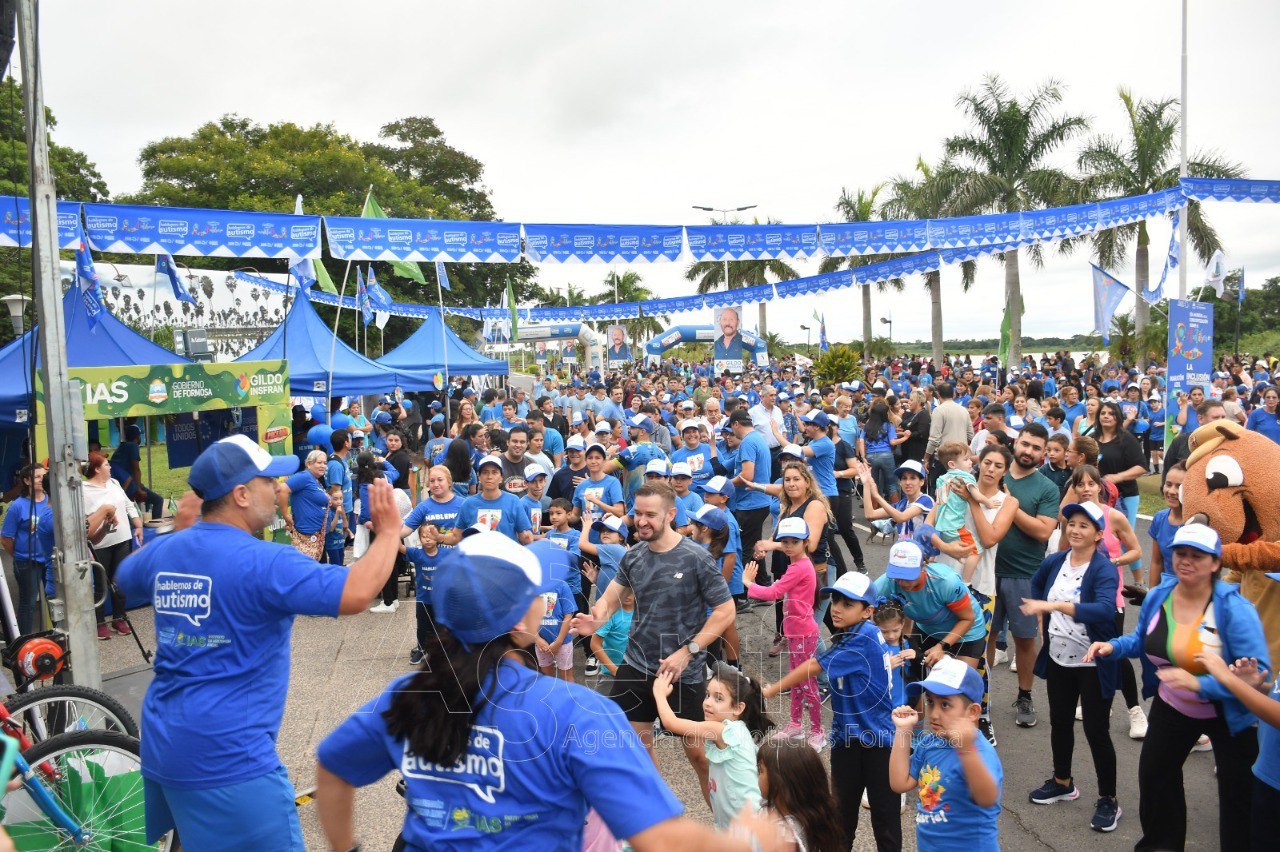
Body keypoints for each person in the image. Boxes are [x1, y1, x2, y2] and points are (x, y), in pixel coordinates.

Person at [315, 533, 784, 851]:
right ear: (522, 620)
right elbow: (657, 838)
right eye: (537, 593)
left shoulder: (408, 694)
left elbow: (334, 768)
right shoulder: (578, 711)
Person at [114, 435, 403, 850]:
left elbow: (126, 577)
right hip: (231, 762)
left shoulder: (169, 551)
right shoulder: (266, 562)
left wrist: (183, 532)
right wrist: (390, 533)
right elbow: (357, 592)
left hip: (164, 748)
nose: (280, 488)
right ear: (242, 494)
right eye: (270, 481)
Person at [1085, 524, 1270, 851]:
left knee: (1237, 796)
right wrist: (1113, 646)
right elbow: (1144, 640)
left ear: (1215, 563)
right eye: (1180, 553)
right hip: (1173, 707)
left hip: (1229, 715)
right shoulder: (1160, 595)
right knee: (1156, 781)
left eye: (1197, 556)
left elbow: (1258, 679)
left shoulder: (1234, 609)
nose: (1186, 560)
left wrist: (1199, 683)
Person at [572, 483, 735, 804]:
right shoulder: (633, 556)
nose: (641, 521)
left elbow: (726, 610)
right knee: (637, 750)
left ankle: (724, 824)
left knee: (699, 758)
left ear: (671, 514)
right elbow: (610, 599)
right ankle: (661, 815)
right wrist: (596, 620)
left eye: (650, 515)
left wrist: (688, 651)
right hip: (636, 665)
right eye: (637, 514)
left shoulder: (696, 558)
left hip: (683, 672)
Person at [762, 571, 898, 851]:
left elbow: (813, 667)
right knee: (841, 818)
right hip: (848, 737)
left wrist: (771, 690)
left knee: (883, 823)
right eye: (835, 600)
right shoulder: (854, 632)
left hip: (877, 742)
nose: (836, 608)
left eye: (848, 604)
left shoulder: (863, 637)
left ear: (867, 611)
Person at [1021, 502, 1123, 832]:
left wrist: (1055, 606)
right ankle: (1063, 782)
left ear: (1098, 534)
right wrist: (1042, 616)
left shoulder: (1103, 569)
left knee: (1096, 731)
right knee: (1061, 722)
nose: (1075, 530)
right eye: (1072, 524)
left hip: (1093, 661)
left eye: (1084, 525)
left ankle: (1109, 799)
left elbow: (1106, 611)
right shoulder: (1055, 562)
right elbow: (1037, 587)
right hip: (1059, 658)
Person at [890, 658, 1003, 852]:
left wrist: (966, 750)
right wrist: (903, 731)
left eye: (945, 705)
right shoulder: (930, 742)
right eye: (930, 702)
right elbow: (900, 783)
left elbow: (987, 798)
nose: (933, 714)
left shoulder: (980, 751)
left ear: (972, 712)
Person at [992, 423, 1061, 729]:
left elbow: (1044, 530)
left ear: (1043, 454)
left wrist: (1011, 505)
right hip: (986, 571)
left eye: (1036, 448)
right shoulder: (996, 473)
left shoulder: (1047, 487)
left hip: (1025, 574)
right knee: (982, 638)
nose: (1029, 451)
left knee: (1024, 640)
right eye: (1026, 444)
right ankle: (978, 697)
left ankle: (1025, 695)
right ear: (1015, 443)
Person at [653, 664, 772, 829]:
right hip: (739, 821)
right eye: (707, 695)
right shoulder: (734, 730)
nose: (708, 703)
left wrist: (659, 693)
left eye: (718, 698)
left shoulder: (724, 730)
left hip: (747, 825)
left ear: (738, 708)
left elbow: (671, 723)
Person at [743, 517, 823, 749]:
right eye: (784, 541)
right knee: (797, 682)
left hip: (803, 634)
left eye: (794, 541)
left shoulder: (799, 567)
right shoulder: (798, 565)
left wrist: (748, 583)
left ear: (805, 542)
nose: (788, 546)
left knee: (807, 684)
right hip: (796, 633)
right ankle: (796, 725)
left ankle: (818, 731)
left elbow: (774, 592)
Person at [81, 451, 143, 639]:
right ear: (97, 469)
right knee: (101, 585)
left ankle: (119, 618)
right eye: (106, 464)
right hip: (100, 544)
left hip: (123, 540)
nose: (110, 467)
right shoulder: (83, 490)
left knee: (120, 582)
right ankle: (99, 623)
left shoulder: (114, 483)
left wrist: (138, 524)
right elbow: (84, 521)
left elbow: (128, 504)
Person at [1093, 401, 1149, 585]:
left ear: (1118, 417)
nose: (1106, 416)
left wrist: (1118, 477)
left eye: (1111, 413)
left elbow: (1141, 467)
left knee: (1125, 539)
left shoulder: (1126, 439)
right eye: (1103, 413)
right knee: (1099, 537)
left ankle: (1139, 582)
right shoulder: (1092, 439)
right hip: (1098, 496)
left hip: (1126, 496)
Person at [755, 740, 844, 852]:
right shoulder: (808, 816)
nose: (757, 775)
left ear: (779, 782)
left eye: (761, 770)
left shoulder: (783, 837)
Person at [933, 440, 996, 585]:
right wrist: (989, 502)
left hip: (941, 525)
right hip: (955, 525)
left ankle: (956, 561)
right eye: (966, 459)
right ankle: (966, 582)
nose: (970, 462)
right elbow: (976, 495)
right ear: (952, 464)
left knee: (959, 550)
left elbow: (940, 500)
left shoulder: (941, 479)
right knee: (977, 550)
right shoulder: (965, 477)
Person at [1, 464, 52, 636]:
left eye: (43, 476)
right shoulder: (18, 506)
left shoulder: (50, 500)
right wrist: (19, 555)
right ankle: (25, 640)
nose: (41, 480)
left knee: (53, 599)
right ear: (27, 481)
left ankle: (57, 635)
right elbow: (6, 538)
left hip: (50, 560)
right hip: (27, 562)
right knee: (28, 603)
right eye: (37, 477)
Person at [460, 455, 534, 544]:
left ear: (501, 477)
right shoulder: (468, 503)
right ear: (479, 477)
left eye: (494, 472)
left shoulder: (513, 501)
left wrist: (527, 537)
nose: (489, 477)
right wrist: (440, 537)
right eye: (485, 472)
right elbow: (457, 536)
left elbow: (525, 536)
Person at [277, 449, 332, 561]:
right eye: (319, 462)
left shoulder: (315, 480)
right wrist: (285, 515)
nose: (323, 466)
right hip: (307, 538)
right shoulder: (304, 476)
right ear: (308, 464)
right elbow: (282, 489)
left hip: (318, 538)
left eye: (325, 463)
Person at [401, 524, 444, 666]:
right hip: (423, 600)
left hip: (441, 601)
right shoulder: (417, 553)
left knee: (441, 627)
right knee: (422, 627)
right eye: (424, 536)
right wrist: (392, 532)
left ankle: (440, 651)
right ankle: (422, 649)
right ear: (419, 538)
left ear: (438, 537)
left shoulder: (446, 553)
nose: (427, 539)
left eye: (431, 535)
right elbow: (399, 547)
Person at [924, 382, 975, 483]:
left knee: (941, 489)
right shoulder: (964, 410)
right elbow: (970, 434)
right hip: (961, 457)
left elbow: (934, 439)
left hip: (944, 458)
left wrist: (926, 458)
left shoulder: (939, 410)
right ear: (953, 393)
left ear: (938, 395)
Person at [1147, 461, 1186, 586]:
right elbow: (1157, 562)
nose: (1172, 491)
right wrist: (1151, 597)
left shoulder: (1199, 523)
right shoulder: (1160, 518)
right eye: (1168, 484)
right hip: (1167, 591)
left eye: (1179, 487)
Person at [534, 573, 577, 682]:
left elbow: (568, 615)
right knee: (545, 676)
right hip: (541, 642)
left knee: (566, 675)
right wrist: (537, 639)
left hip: (563, 641)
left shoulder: (562, 585)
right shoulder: (530, 587)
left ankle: (569, 698)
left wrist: (558, 642)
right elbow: (526, 616)